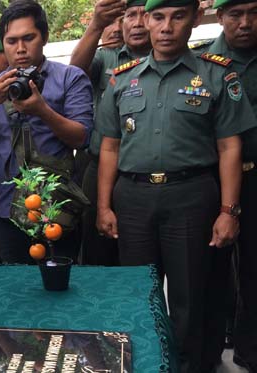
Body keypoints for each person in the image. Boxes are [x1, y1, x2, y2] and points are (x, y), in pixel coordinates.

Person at [95, 0, 257, 370]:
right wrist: (104, 206)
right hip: (132, 198)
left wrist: (228, 211)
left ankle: (185, 365)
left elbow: (230, 146)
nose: (166, 26)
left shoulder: (217, 75)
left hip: (192, 195)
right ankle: (144, 363)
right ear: (146, 21)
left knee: (189, 296)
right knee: (139, 292)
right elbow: (109, 146)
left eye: (177, 16)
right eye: (158, 17)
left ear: (195, 19)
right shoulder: (123, 78)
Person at [0, 0, 94, 264]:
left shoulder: (70, 78)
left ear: (45, 37)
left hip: (56, 208)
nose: (20, 49)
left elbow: (83, 136)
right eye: (11, 41)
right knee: (15, 291)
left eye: (28, 38)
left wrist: (43, 111)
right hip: (6, 209)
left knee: (59, 286)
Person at [191, 0, 257, 369]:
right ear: (221, 16)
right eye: (235, 14)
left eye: (253, 12)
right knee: (211, 271)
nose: (245, 22)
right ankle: (210, 352)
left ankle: (249, 351)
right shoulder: (200, 61)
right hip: (214, 180)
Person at [69, 0, 151, 265]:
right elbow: (75, 71)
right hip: (99, 166)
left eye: (145, 15)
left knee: (140, 257)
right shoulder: (107, 56)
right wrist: (96, 24)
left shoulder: (169, 58)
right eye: (130, 16)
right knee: (97, 252)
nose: (137, 23)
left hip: (144, 175)